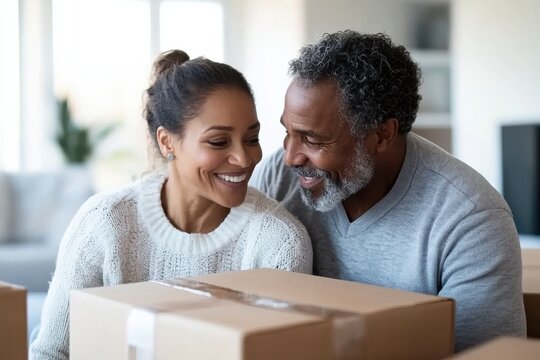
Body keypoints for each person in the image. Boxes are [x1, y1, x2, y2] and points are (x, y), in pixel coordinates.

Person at [250, 31, 526, 352]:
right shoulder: (279, 177)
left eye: (313, 140)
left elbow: (485, 356)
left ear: (382, 135)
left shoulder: (471, 220)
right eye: (288, 132)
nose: (290, 157)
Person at [30, 50, 312, 360]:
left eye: (251, 138)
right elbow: (52, 351)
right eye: (218, 142)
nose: (244, 159)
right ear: (167, 142)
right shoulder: (104, 222)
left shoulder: (279, 242)